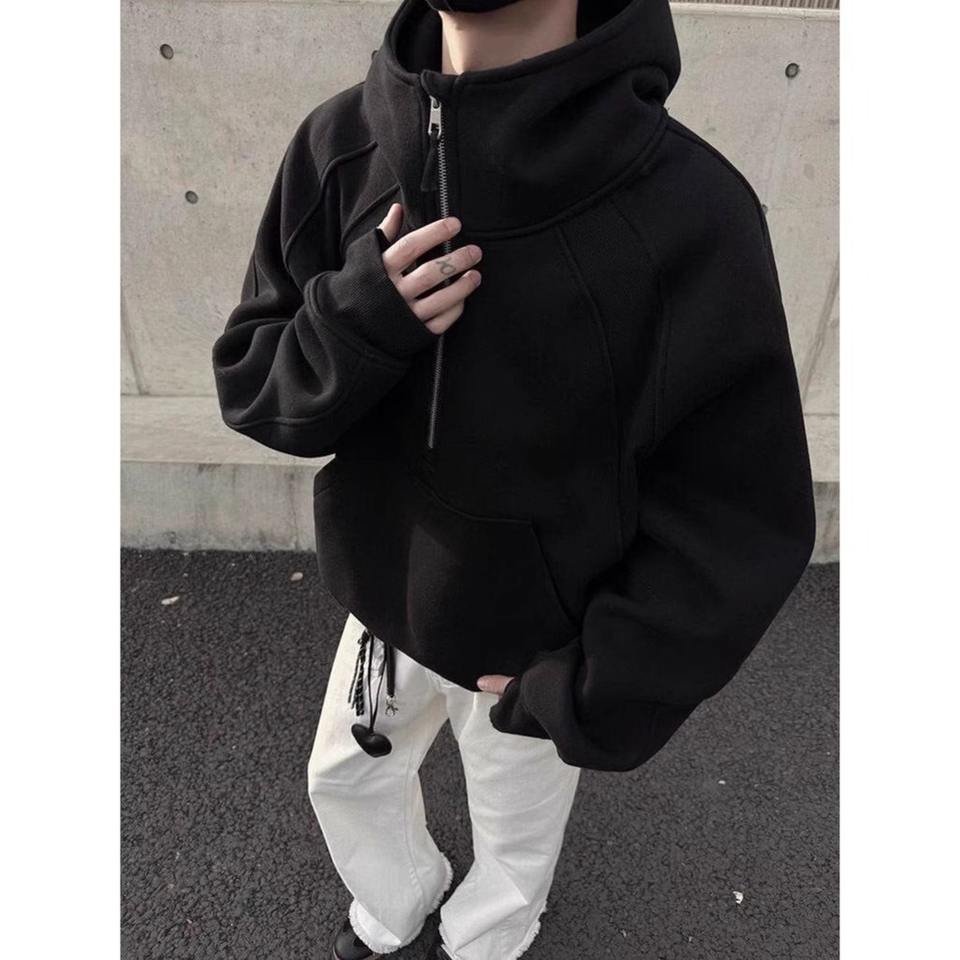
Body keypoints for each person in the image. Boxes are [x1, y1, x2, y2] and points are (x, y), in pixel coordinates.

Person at [211, 0, 817, 956]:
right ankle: (396, 906)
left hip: (537, 646)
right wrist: (363, 318)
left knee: (515, 839)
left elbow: (740, 515)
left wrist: (596, 683)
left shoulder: (688, 211)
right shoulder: (340, 147)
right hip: (385, 606)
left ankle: (487, 941)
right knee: (344, 779)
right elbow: (255, 383)